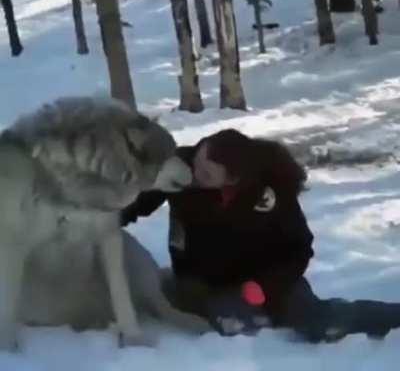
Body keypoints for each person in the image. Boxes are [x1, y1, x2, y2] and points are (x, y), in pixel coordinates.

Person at [121, 129, 400, 342]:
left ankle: (388, 315)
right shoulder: (182, 167)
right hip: (203, 281)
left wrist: (265, 287)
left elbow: (298, 248)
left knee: (318, 323)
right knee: (231, 324)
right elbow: (134, 203)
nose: (194, 172)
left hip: (266, 278)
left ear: (232, 181)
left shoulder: (269, 192)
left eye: (205, 173)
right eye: (197, 157)